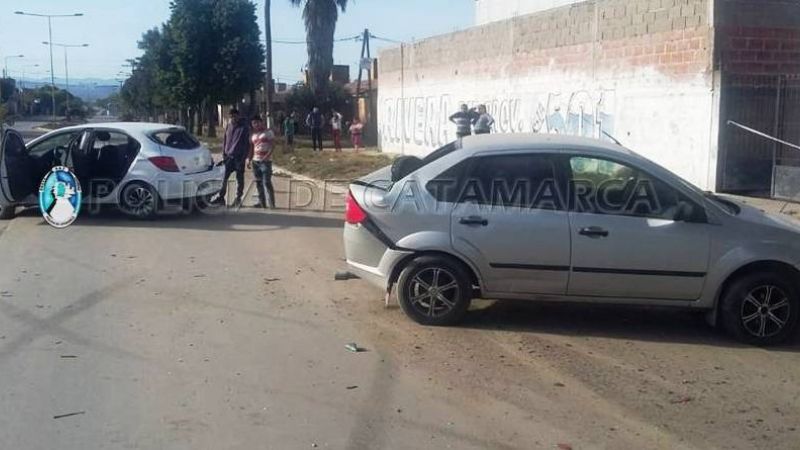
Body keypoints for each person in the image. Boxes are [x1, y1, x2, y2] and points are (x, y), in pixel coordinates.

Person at [215, 108, 250, 207]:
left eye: (234, 116)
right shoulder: (229, 126)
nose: (233, 119)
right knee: (224, 177)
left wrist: (244, 157)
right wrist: (224, 154)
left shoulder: (244, 128)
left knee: (239, 178)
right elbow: (225, 140)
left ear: (238, 116)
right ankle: (221, 197)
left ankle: (238, 198)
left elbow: (247, 144)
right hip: (228, 157)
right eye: (231, 117)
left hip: (239, 157)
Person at [247, 115, 276, 209]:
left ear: (261, 122)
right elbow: (251, 148)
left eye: (257, 122)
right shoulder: (253, 135)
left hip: (266, 161)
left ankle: (271, 203)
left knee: (267, 182)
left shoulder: (268, 133)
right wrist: (249, 159)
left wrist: (267, 156)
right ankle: (262, 202)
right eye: (254, 123)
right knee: (258, 182)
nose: (256, 125)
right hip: (255, 161)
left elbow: (272, 146)